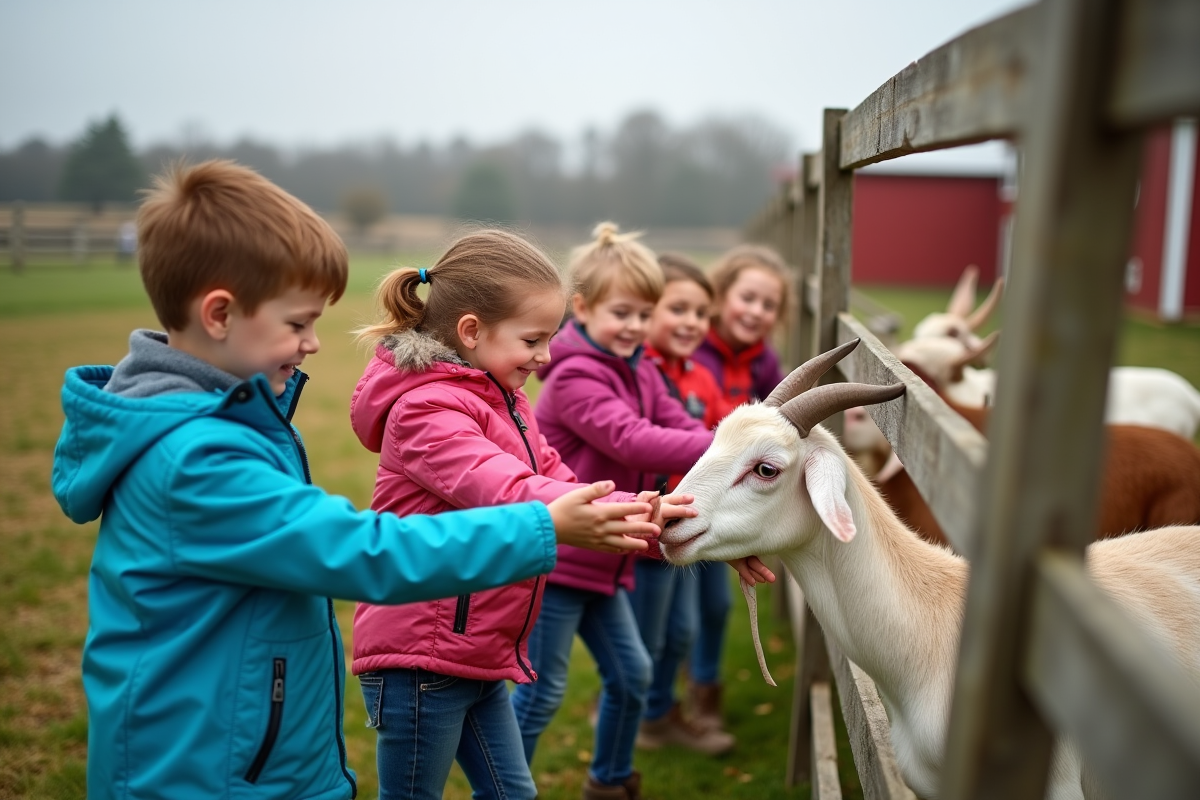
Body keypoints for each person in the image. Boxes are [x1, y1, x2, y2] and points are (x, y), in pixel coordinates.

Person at [49, 161, 655, 800]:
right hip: (204, 770)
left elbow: (542, 474)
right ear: (220, 314)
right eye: (297, 323)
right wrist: (544, 525)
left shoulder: (222, 428)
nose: (313, 344)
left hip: (250, 754)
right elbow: (363, 551)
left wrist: (650, 515)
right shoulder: (196, 463)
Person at [348, 229, 695, 800]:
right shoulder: (424, 410)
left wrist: (654, 515)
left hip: (478, 650)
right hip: (422, 657)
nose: (547, 355)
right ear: (471, 332)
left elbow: (556, 477)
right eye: (533, 339)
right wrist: (600, 513)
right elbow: (506, 488)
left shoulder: (502, 398)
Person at [510, 223, 773, 800]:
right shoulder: (577, 376)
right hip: (563, 558)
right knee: (542, 691)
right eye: (621, 312)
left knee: (633, 677)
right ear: (582, 308)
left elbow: (677, 425)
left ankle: (608, 784)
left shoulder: (641, 368)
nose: (633, 326)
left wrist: (721, 449)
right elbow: (632, 439)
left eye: (642, 314)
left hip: (612, 557)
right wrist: (730, 452)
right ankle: (504, 788)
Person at [630, 253, 733, 755]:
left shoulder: (702, 379)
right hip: (648, 522)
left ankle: (660, 709)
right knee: (648, 634)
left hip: (692, 521)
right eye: (680, 309)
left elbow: (721, 441)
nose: (693, 322)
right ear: (648, 311)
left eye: (701, 313)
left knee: (683, 628)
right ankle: (645, 713)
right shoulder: (640, 374)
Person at [688, 243, 790, 732]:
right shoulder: (693, 352)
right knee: (669, 620)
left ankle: (704, 696)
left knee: (716, 604)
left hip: (727, 504)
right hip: (687, 493)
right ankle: (643, 701)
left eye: (769, 305)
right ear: (721, 295)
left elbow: (781, 425)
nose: (757, 311)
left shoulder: (764, 366)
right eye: (747, 297)